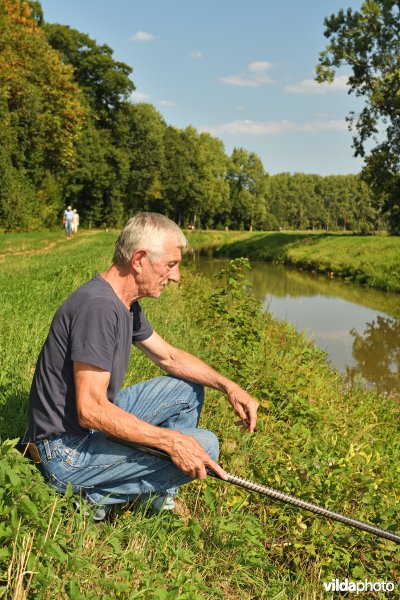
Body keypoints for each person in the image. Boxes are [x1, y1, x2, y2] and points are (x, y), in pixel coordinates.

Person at [23, 213, 258, 518]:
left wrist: (229, 386)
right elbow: (90, 409)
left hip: (85, 430)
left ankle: (155, 496)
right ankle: (89, 500)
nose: (176, 277)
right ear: (139, 259)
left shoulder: (124, 303)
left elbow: (169, 357)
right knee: (207, 446)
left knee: (186, 390)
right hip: (64, 453)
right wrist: (170, 442)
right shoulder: (98, 308)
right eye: (171, 265)